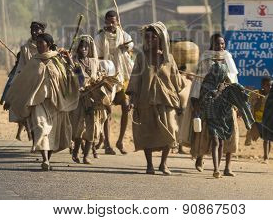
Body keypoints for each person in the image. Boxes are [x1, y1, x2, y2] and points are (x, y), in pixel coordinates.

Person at [3, 33, 80, 171]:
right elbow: (21, 82)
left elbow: (72, 75)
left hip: (56, 103)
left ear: (48, 44)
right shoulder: (34, 61)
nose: (38, 46)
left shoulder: (58, 60)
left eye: (41, 43)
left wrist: (69, 60)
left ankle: (48, 159)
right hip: (38, 103)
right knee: (41, 128)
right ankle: (44, 160)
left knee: (53, 133)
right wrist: (10, 99)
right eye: (37, 43)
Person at [126, 22, 186, 175]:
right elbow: (135, 80)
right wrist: (132, 100)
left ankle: (163, 164)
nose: (151, 39)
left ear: (161, 39)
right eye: (148, 37)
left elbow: (177, 82)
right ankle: (150, 165)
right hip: (146, 101)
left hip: (167, 101)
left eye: (154, 37)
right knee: (148, 132)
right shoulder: (141, 57)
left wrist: (180, 100)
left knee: (171, 130)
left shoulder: (169, 59)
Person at [189, 33, 239, 173]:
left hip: (226, 101)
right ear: (212, 44)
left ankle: (227, 167)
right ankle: (200, 158)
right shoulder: (206, 58)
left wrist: (236, 100)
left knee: (231, 133)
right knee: (205, 132)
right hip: (208, 100)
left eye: (222, 44)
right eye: (218, 44)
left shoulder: (228, 57)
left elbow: (234, 80)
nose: (220, 46)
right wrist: (196, 100)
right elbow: (199, 81)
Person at [199, 62, 254, 178]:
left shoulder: (229, 87)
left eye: (222, 73)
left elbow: (241, 100)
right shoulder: (207, 85)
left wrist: (240, 90)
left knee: (221, 143)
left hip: (225, 118)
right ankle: (216, 169)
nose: (220, 75)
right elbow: (205, 101)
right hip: (212, 117)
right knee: (215, 141)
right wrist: (218, 90)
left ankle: (219, 168)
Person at [94, 10, 134, 155]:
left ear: (118, 21)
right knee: (107, 109)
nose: (111, 23)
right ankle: (107, 143)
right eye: (109, 21)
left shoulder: (124, 35)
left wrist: (125, 47)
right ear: (105, 21)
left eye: (114, 21)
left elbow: (131, 46)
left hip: (121, 76)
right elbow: (97, 57)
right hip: (106, 78)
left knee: (126, 107)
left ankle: (120, 141)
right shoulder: (99, 37)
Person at [3, 21, 46, 141]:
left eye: (37, 29)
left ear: (42, 31)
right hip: (29, 84)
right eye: (32, 29)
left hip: (46, 85)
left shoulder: (49, 47)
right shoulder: (25, 49)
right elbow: (20, 69)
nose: (34, 31)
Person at [70, 35, 110, 164]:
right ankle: (76, 152)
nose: (84, 49)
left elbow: (100, 74)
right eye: (82, 46)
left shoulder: (94, 62)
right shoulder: (74, 62)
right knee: (78, 127)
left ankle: (86, 156)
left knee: (92, 127)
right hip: (79, 99)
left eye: (86, 47)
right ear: (77, 47)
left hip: (93, 99)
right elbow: (78, 79)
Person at [244, 76, 273, 162]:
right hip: (257, 120)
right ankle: (266, 156)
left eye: (271, 85)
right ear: (263, 86)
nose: (270, 87)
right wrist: (260, 99)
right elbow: (255, 107)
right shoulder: (256, 94)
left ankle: (266, 157)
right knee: (258, 137)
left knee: (267, 139)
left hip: (268, 119)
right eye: (268, 85)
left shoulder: (272, 95)